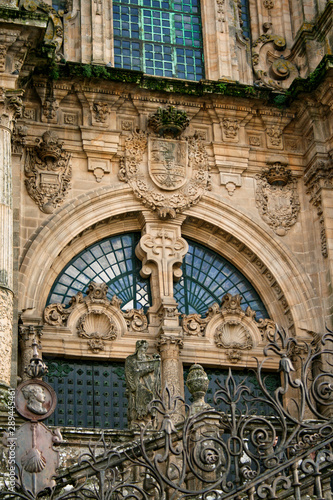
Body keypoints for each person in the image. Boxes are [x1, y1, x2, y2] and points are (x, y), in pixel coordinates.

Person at [125, 340, 161, 427]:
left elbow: (155, 375)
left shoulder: (149, 360)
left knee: (149, 400)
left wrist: (157, 363)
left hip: (148, 386)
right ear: (138, 348)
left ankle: (148, 420)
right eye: (143, 348)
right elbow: (132, 375)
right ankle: (139, 421)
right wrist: (147, 370)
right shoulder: (131, 360)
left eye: (146, 348)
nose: (145, 350)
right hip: (138, 388)